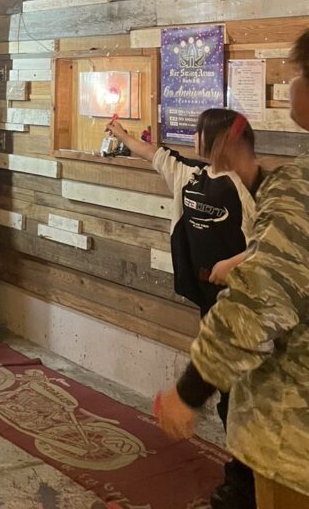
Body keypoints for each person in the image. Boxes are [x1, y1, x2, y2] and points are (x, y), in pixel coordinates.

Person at [154, 32, 309, 508]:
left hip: (295, 442)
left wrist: (189, 390)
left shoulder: (298, 187)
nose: (291, 85)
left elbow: (261, 302)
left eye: (298, 73)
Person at [106, 111, 258, 509]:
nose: (193, 137)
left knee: (243, 399)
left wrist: (234, 263)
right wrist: (122, 135)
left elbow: (272, 245)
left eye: (198, 131)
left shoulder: (251, 188)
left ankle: (247, 485)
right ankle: (242, 481)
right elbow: (153, 153)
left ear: (221, 140)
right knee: (228, 396)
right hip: (211, 306)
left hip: (248, 312)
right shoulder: (190, 175)